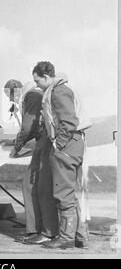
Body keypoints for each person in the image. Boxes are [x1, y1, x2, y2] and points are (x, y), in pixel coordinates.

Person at [32, 61, 91, 249]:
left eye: (38, 81)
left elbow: (69, 121)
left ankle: (66, 239)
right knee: (72, 193)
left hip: (67, 146)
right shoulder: (61, 89)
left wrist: (59, 145)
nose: (36, 85)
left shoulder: (58, 92)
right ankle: (80, 237)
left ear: (47, 77)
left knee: (63, 193)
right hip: (73, 144)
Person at [3, 79, 59, 245]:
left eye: (10, 97)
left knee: (36, 186)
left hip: (45, 142)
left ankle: (43, 231)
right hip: (43, 142)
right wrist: (15, 141)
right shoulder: (34, 94)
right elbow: (30, 126)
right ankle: (36, 229)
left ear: (16, 91)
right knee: (32, 185)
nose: (11, 101)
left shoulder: (32, 96)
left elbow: (28, 127)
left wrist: (17, 147)